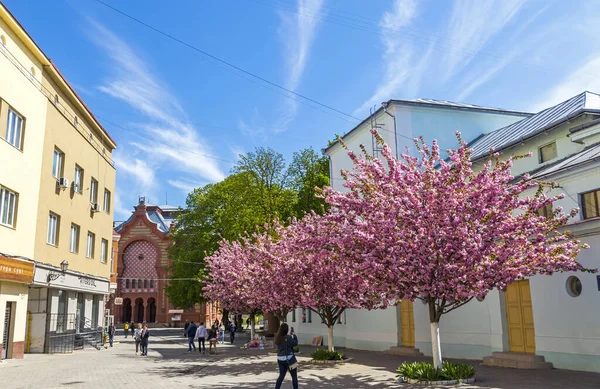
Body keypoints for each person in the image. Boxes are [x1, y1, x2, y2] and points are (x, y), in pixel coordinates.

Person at [274, 323, 299, 389]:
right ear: (286, 330)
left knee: (281, 375)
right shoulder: (288, 337)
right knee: (294, 377)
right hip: (290, 360)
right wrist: (294, 335)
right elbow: (295, 343)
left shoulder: (278, 338)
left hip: (280, 359)